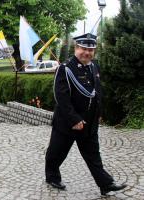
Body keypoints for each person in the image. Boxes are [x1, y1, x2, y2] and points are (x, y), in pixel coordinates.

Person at [45, 33, 127, 195]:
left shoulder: (93, 66)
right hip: (68, 122)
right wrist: (74, 119)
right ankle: (52, 176)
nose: (87, 53)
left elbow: (96, 92)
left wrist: (98, 113)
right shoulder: (66, 68)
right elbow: (61, 97)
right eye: (83, 49)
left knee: (93, 155)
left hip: (89, 122)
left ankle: (105, 184)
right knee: (56, 152)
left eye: (90, 50)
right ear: (76, 48)